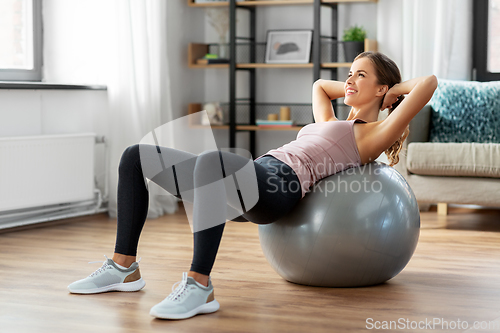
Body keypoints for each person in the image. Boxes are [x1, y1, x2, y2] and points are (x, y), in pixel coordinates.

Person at [67, 52, 438, 320]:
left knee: (215, 161)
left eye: (360, 75)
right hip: (256, 175)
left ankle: (199, 287)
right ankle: (124, 267)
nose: (348, 81)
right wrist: (359, 89)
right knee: (136, 156)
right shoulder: (330, 117)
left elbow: (428, 84)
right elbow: (320, 87)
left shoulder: (373, 134)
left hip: (281, 188)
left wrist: (390, 95)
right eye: (349, 74)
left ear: (382, 88)